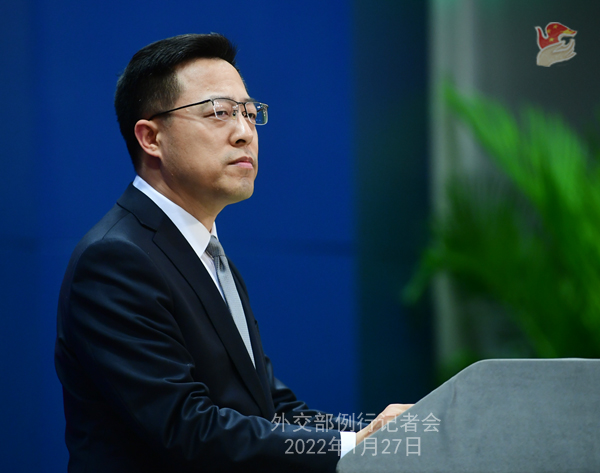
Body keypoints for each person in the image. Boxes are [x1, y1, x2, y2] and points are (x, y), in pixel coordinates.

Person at [55, 33, 409, 473]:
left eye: (249, 113)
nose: (245, 133)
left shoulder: (208, 255)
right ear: (151, 138)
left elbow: (272, 408)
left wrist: (383, 436)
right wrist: (353, 446)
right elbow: (188, 428)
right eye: (219, 113)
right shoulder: (114, 261)